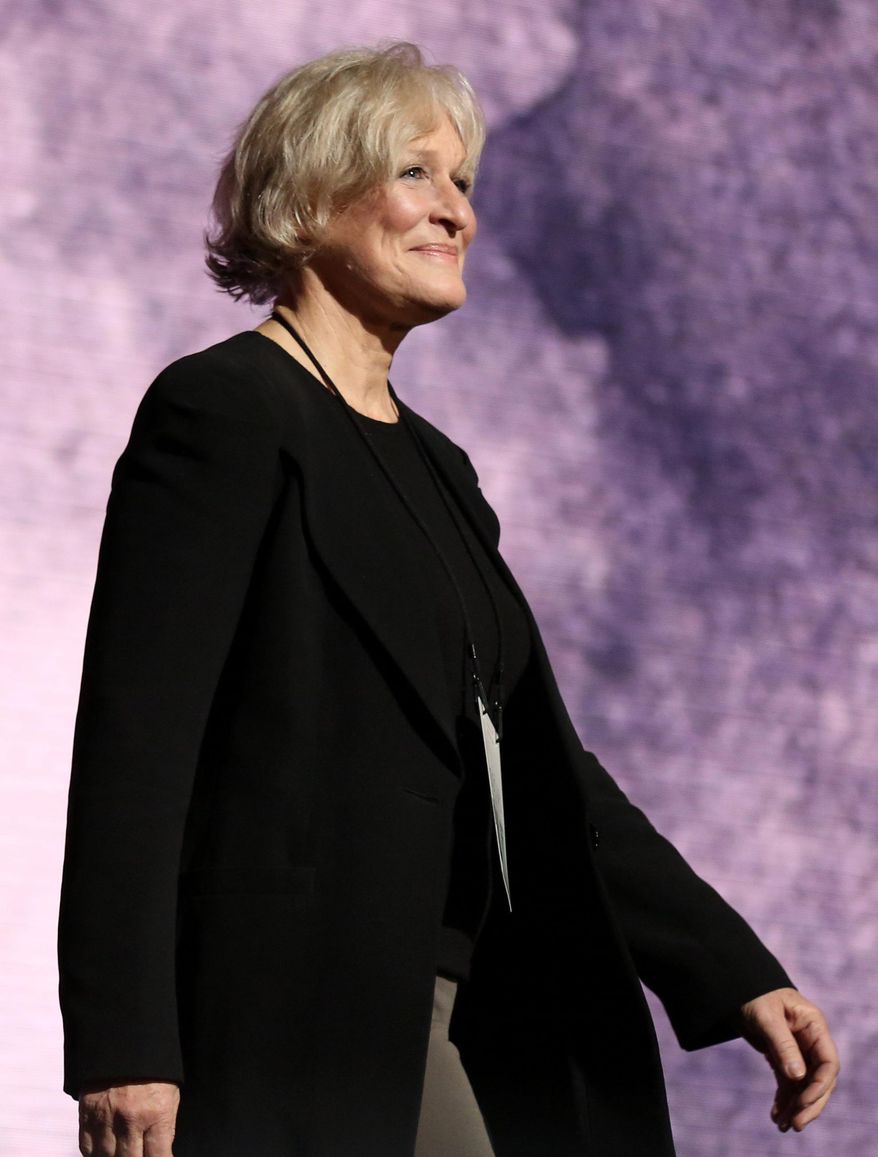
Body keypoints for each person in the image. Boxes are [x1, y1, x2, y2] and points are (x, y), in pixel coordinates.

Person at [58, 42, 839, 1157]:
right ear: (310, 196)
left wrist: (728, 968)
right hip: (309, 1015)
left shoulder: (438, 467)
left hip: (493, 1002)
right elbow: (137, 745)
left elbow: (541, 764)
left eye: (463, 182)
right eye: (416, 174)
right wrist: (125, 1040)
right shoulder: (224, 414)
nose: (455, 212)